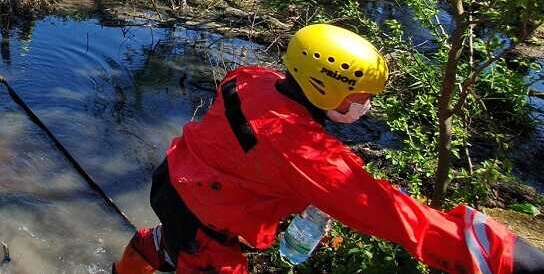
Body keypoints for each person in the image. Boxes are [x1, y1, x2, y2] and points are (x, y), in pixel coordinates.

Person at [114, 23, 544, 274]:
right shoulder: (301, 150)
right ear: (323, 88)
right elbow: (391, 214)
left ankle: (135, 261)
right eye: (359, 97)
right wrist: (498, 253)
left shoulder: (254, 78)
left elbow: (251, 150)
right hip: (207, 229)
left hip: (174, 182)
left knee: (170, 241)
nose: (366, 106)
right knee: (199, 257)